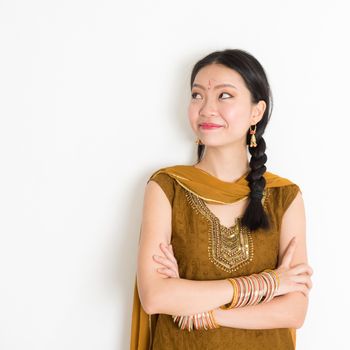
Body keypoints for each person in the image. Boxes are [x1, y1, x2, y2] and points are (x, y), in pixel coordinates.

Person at [129, 48, 313, 350]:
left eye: (224, 96)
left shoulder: (284, 196)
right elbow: (155, 297)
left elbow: (293, 311)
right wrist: (271, 284)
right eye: (197, 95)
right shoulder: (167, 187)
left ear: (256, 111)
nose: (206, 108)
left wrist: (208, 312)